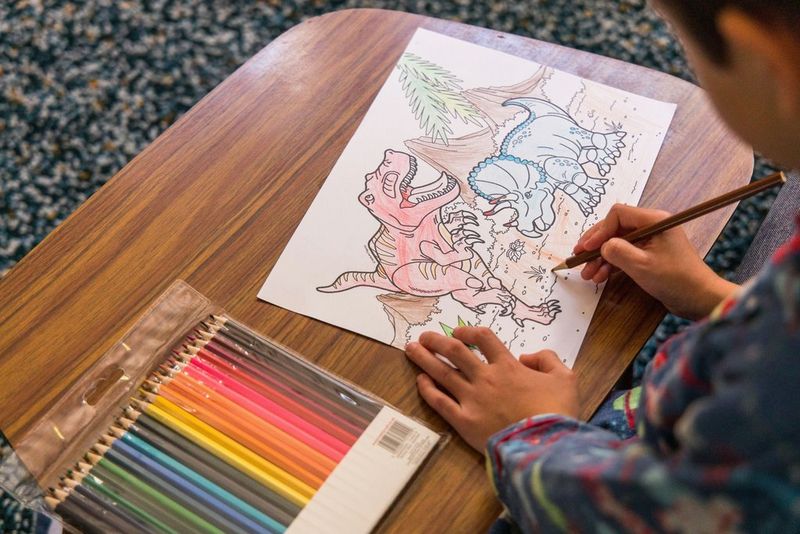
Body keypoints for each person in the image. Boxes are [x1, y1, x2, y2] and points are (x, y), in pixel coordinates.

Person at [404, 0, 800, 531]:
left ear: (758, 56)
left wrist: (531, 431)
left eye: (684, 46)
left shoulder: (769, 400)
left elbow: (659, 517)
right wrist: (714, 296)